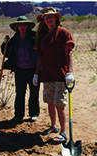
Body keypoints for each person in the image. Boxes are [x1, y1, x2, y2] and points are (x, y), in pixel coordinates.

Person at [34, 7, 74, 143]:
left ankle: (63, 133)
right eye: (46, 17)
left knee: (59, 104)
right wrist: (36, 74)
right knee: (50, 102)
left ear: (56, 18)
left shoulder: (63, 33)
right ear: (43, 20)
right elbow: (40, 57)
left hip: (60, 75)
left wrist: (70, 72)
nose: (48, 19)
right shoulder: (43, 37)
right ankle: (53, 126)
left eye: (51, 17)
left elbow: (68, 53)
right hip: (47, 75)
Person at [1, 16, 39, 122]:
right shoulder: (14, 39)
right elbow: (6, 52)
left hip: (33, 69)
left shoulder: (34, 37)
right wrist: (5, 42)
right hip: (20, 69)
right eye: (20, 25)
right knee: (20, 92)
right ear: (17, 27)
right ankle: (18, 115)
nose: (23, 27)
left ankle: (34, 113)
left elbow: (41, 50)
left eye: (25, 25)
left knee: (34, 92)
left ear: (28, 26)